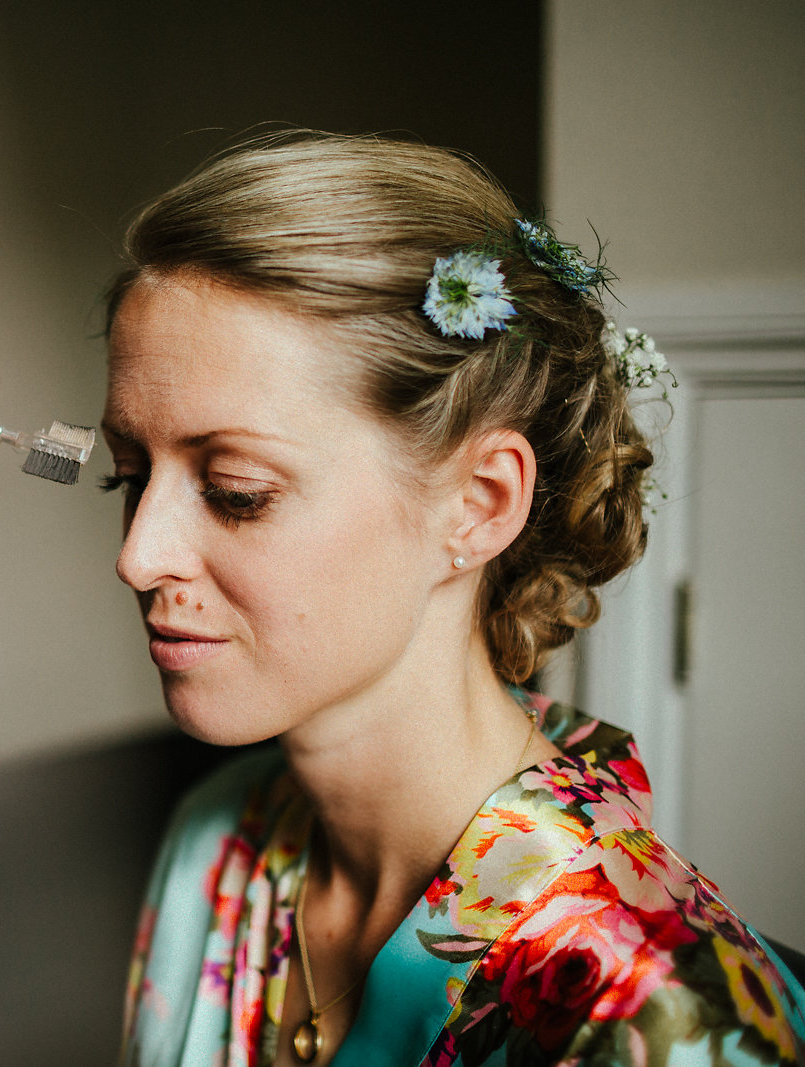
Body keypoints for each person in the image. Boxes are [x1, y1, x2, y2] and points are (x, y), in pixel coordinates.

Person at [102, 131, 805, 1066]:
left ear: (477, 506)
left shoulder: (644, 1012)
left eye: (239, 491)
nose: (139, 557)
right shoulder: (218, 845)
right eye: (125, 476)